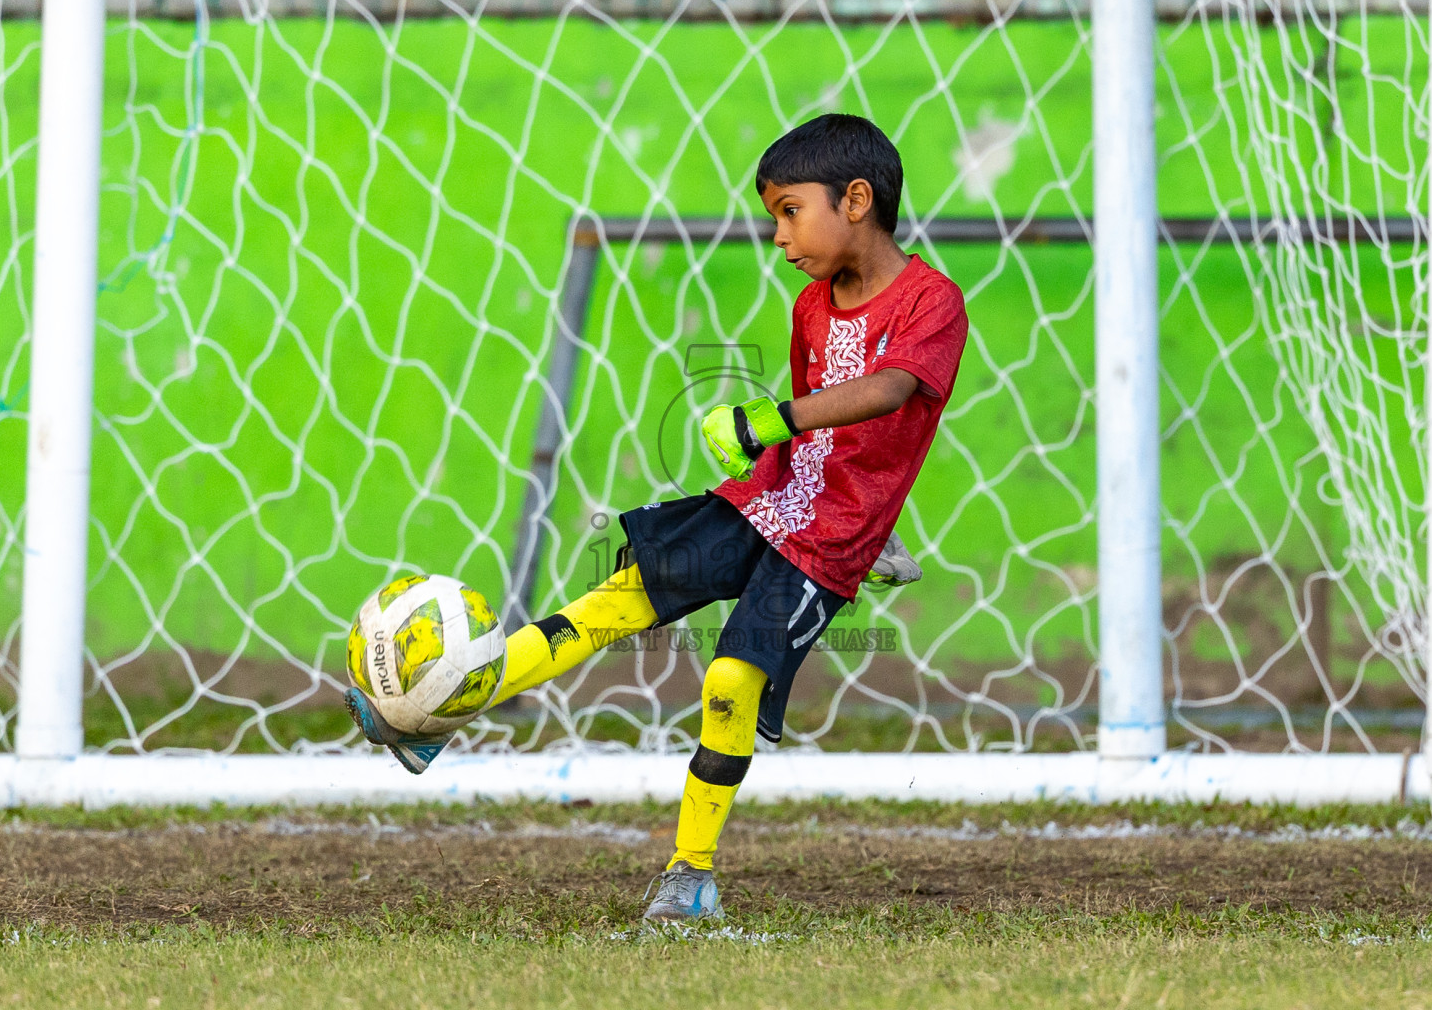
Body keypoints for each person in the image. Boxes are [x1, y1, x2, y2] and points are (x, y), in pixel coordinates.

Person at [345, 112, 969, 922]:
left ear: (856, 199)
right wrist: (765, 451)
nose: (778, 235)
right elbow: (827, 428)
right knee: (615, 599)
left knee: (731, 676)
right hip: (770, 501)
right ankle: (436, 710)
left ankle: (690, 877)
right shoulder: (812, 305)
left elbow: (888, 392)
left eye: (789, 211)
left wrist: (768, 422)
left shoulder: (932, 301)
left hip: (828, 539)